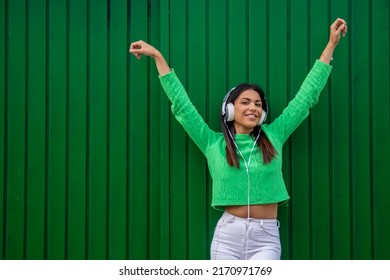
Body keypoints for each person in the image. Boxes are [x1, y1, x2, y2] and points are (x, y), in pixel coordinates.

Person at [129, 18, 348, 260]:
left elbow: (305, 98)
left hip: (266, 239)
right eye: (245, 102)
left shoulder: (273, 136)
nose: (253, 107)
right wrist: (158, 57)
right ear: (230, 110)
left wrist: (330, 46)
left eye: (258, 104)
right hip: (227, 237)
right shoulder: (213, 143)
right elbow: (182, 106)